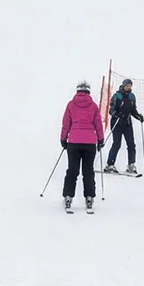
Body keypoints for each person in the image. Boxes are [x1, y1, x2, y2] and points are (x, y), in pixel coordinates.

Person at [60, 81, 105, 211]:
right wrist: (100, 139)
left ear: (77, 91)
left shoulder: (71, 105)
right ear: (88, 92)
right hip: (90, 143)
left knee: (72, 170)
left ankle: (68, 196)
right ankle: (89, 197)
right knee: (88, 171)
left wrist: (63, 139)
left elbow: (66, 123)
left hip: (74, 142)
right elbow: (98, 124)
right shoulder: (94, 106)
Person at [104, 78, 144, 174]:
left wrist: (139, 117)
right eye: (127, 85)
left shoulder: (132, 96)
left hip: (127, 123)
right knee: (117, 144)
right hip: (117, 122)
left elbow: (133, 110)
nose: (129, 87)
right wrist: (117, 114)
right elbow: (111, 110)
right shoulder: (117, 95)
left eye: (130, 85)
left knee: (131, 144)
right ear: (123, 85)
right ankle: (110, 164)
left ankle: (131, 164)